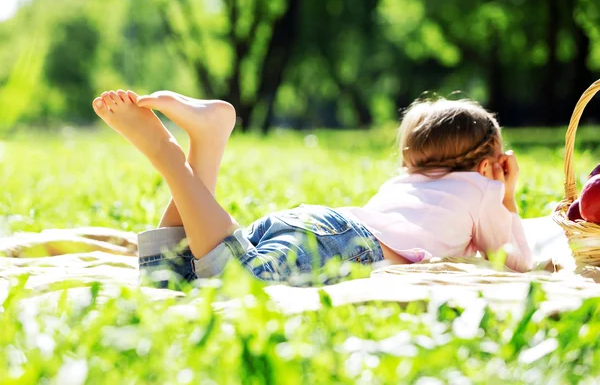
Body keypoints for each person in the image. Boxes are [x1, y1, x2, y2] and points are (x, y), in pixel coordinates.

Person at [91, 90, 532, 287]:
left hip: (316, 223)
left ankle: (205, 144)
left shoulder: (405, 181)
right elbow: (517, 263)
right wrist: (506, 195)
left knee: (169, 277)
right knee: (239, 282)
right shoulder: (482, 189)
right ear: (488, 161)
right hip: (350, 242)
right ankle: (167, 155)